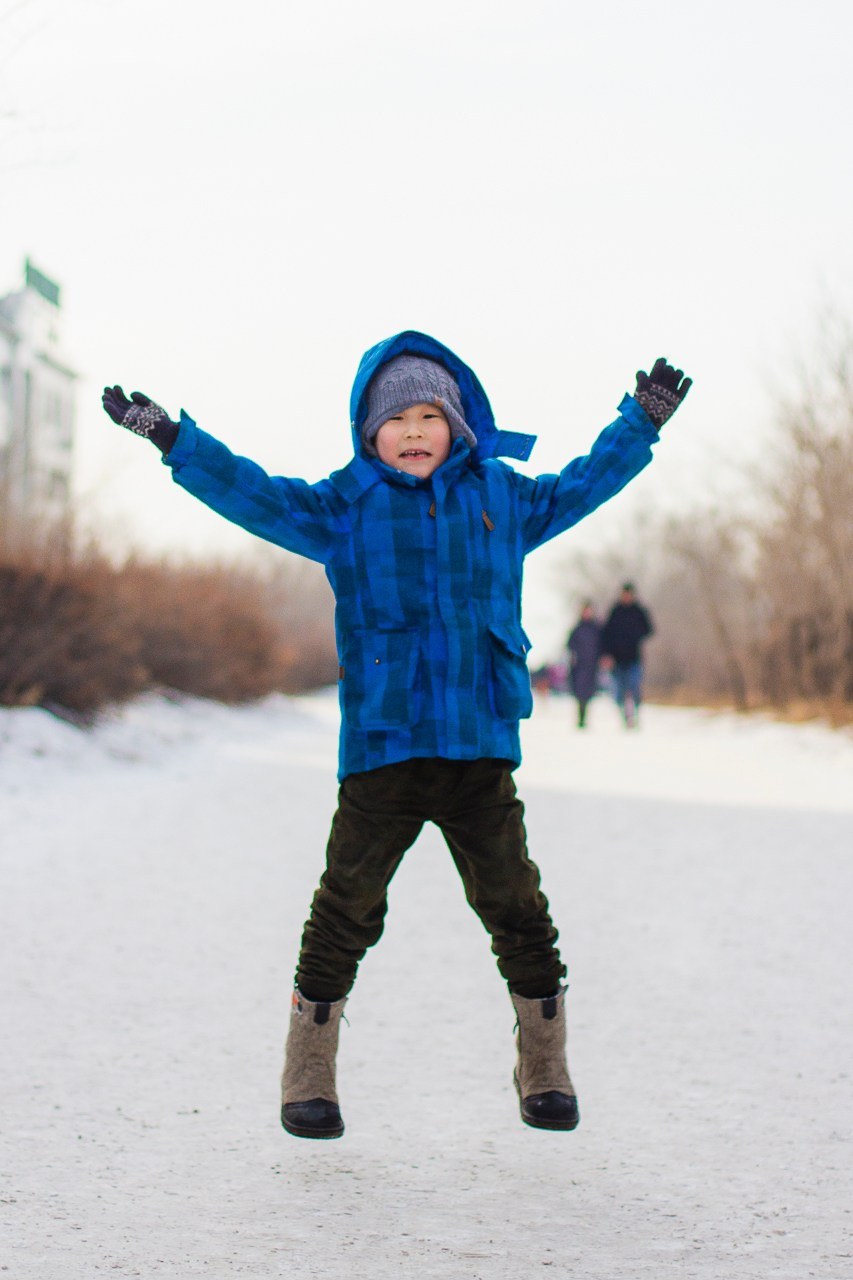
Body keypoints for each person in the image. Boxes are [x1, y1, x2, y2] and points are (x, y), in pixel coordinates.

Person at [102, 337, 691, 1140]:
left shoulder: (502, 498)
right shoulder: (344, 507)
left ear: (456, 425)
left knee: (516, 905)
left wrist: (638, 423)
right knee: (345, 906)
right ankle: (308, 1071)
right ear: (367, 431)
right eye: (396, 420)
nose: (414, 432)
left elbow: (586, 484)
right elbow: (252, 494)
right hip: (383, 746)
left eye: (429, 417)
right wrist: (175, 440)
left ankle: (544, 1062)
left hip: (478, 746)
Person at [599, 582, 654, 727]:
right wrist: (606, 655)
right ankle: (625, 715)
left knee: (634, 687)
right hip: (617, 660)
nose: (627, 597)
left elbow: (649, 630)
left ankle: (635, 714)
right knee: (620, 690)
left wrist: (635, 633)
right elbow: (606, 635)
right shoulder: (615, 611)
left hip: (634, 658)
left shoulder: (638, 611)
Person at [567, 602, 602, 728]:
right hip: (579, 665)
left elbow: (602, 645)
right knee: (580, 691)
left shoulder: (597, 629)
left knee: (589, 691)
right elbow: (570, 645)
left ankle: (585, 716)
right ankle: (581, 717)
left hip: (592, 665)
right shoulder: (577, 629)